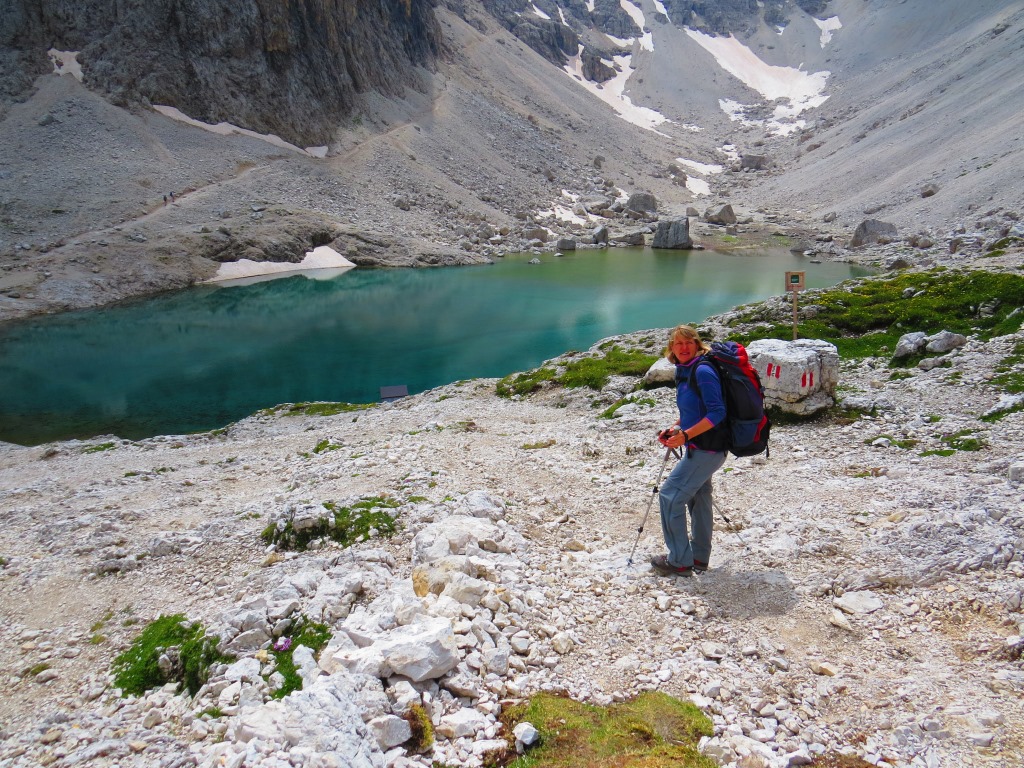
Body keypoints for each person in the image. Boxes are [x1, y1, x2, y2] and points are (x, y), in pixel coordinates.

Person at [650, 324, 728, 577]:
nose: (683, 348)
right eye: (678, 343)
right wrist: (676, 427)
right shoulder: (685, 371)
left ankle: (679, 561)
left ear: (697, 344)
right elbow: (694, 411)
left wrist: (685, 436)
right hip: (702, 446)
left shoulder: (702, 370)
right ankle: (699, 557)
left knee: (670, 496)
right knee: (699, 496)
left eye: (688, 343)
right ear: (672, 347)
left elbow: (717, 412)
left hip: (708, 448)